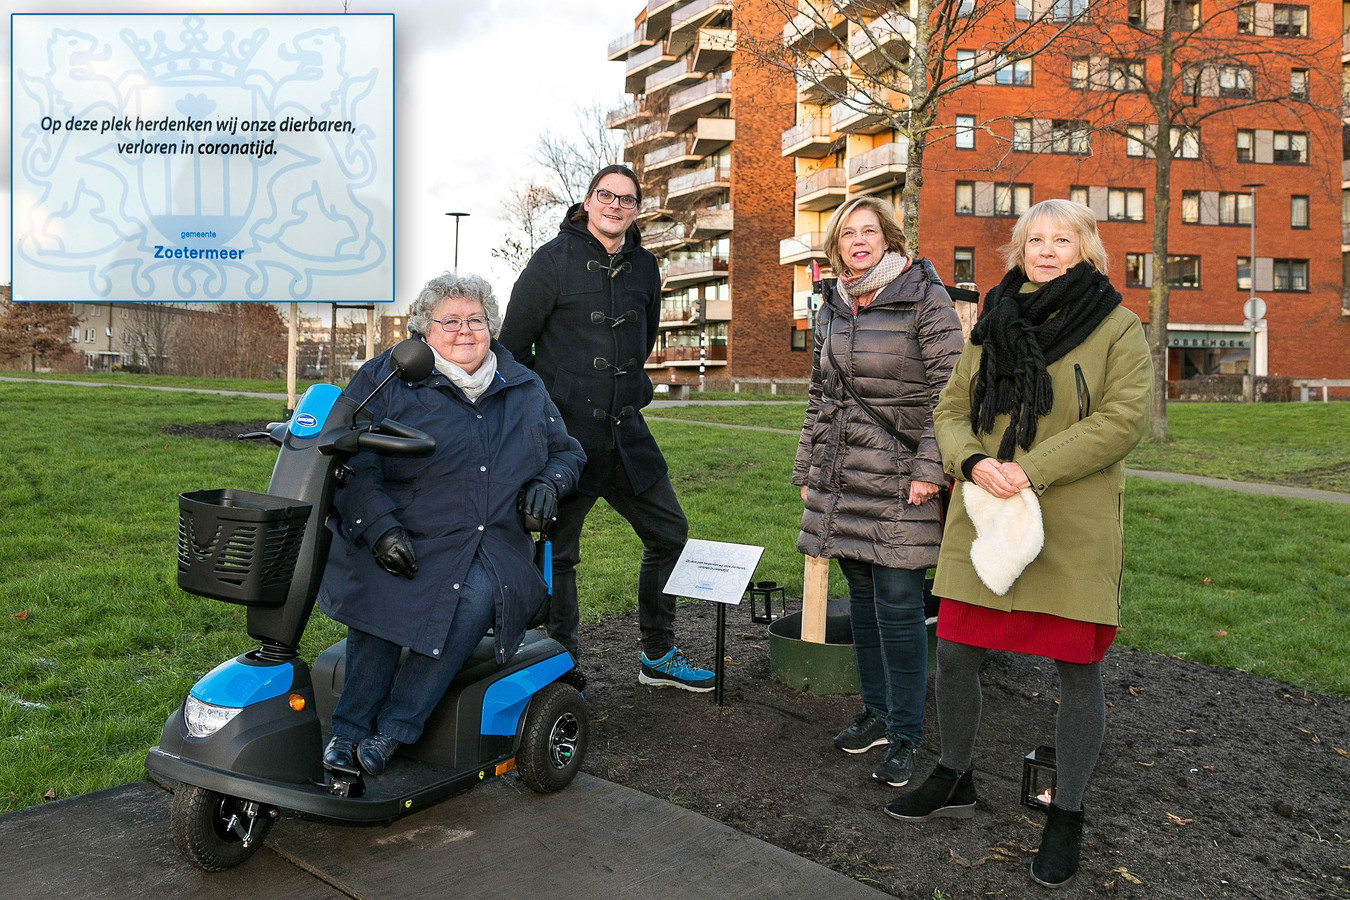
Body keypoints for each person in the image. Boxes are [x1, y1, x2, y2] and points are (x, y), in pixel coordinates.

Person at [884, 199, 1152, 889]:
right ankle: (954, 776)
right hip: (987, 510)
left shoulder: (1119, 327)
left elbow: (1124, 420)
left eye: (1064, 239)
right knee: (956, 650)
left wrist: (1030, 469)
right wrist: (972, 463)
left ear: (1087, 249)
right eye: (1036, 239)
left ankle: (1067, 814)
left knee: (1076, 667)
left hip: (1071, 519)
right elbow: (949, 409)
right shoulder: (992, 322)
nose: (1048, 249)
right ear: (1018, 250)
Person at [317, 272, 585, 775]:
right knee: (383, 588)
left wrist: (550, 482)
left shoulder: (524, 386)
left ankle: (396, 729)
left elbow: (567, 452)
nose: (466, 331)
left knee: (476, 593)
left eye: (477, 321)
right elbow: (349, 461)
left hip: (492, 541)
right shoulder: (388, 379)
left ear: (492, 327)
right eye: (451, 321)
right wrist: (379, 527)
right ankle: (349, 730)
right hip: (404, 528)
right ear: (425, 330)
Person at [500, 165, 714, 692]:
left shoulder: (644, 267)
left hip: (625, 433)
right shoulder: (552, 260)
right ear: (588, 201)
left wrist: (629, 388)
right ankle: (562, 662)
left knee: (669, 532)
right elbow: (512, 349)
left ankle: (658, 655)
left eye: (627, 199)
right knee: (558, 551)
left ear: (636, 209)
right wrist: (543, 414)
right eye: (606, 196)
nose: (615, 206)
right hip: (565, 440)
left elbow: (644, 338)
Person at [792, 196, 964, 788]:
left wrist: (930, 468)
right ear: (837, 245)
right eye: (848, 233)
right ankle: (876, 712)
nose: (858, 240)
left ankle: (908, 734)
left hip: (903, 480)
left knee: (898, 606)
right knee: (862, 601)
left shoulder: (925, 299)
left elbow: (953, 394)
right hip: (845, 477)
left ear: (889, 238)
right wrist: (810, 468)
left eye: (870, 231)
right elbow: (822, 395)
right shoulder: (834, 305)